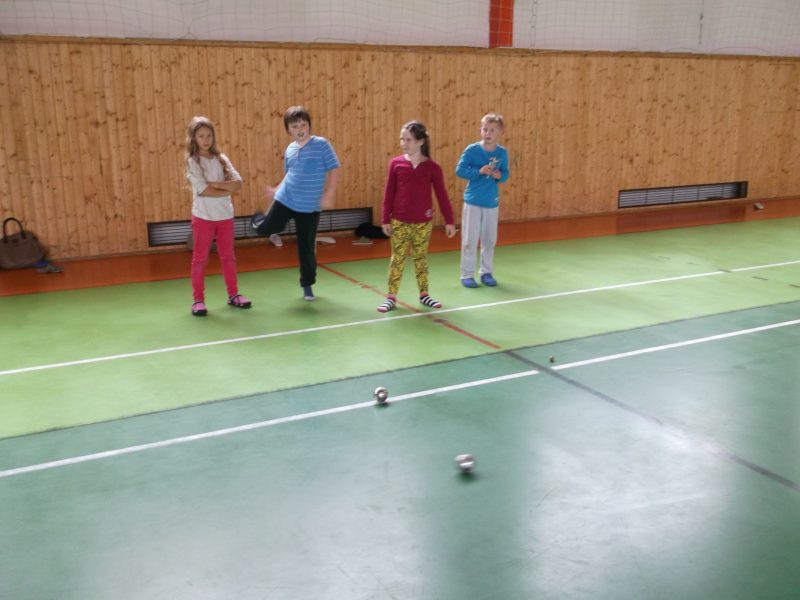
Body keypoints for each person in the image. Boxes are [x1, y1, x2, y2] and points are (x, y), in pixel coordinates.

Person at [251, 106, 340, 301]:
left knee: (306, 247)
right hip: (286, 199)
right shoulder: (290, 149)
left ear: (309, 126)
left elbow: (334, 168)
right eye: (295, 126)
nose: (300, 129)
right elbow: (289, 174)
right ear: (288, 130)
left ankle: (307, 286)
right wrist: (276, 189)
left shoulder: (321, 145)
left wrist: (329, 193)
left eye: (303, 125)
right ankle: (257, 220)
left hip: (309, 207)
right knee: (267, 228)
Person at [377, 120, 456, 313]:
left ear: (420, 141)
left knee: (420, 258)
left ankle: (424, 294)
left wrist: (449, 221)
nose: (403, 143)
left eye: (408, 140)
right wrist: (385, 219)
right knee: (397, 259)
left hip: (422, 223)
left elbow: (442, 195)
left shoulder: (432, 168)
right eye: (402, 139)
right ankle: (391, 297)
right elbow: (389, 193)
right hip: (399, 221)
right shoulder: (395, 164)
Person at [185, 116, 251, 317]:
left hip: (225, 217)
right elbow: (204, 190)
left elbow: (238, 183)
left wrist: (215, 184)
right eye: (201, 136)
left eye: (209, 135)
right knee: (200, 259)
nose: (206, 140)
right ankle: (198, 300)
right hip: (203, 218)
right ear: (194, 138)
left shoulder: (222, 159)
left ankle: (233, 295)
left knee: (228, 257)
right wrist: (224, 189)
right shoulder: (193, 162)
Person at [455, 113, 509, 287]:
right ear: (480, 130)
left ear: (500, 132)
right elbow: (460, 170)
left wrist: (499, 175)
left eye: (492, 130)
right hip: (472, 201)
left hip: (491, 202)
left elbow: (505, 174)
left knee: (489, 240)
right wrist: (478, 172)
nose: (488, 133)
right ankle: (467, 274)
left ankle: (486, 272)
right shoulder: (472, 150)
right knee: (469, 240)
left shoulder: (502, 153)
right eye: (485, 129)